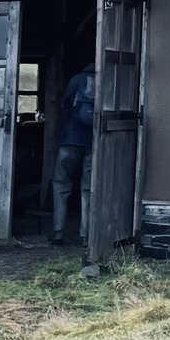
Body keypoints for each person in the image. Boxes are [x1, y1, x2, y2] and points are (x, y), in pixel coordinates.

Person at [52, 65, 95, 248]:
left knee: (61, 185)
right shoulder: (104, 81)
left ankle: (58, 231)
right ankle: (86, 236)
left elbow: (65, 105)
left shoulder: (75, 80)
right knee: (88, 189)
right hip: (92, 143)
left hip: (69, 140)